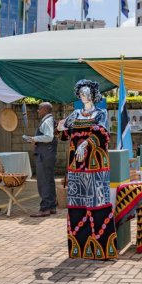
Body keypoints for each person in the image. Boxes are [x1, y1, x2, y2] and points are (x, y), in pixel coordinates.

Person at [58, 79, 117, 260]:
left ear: (93, 95)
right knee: (77, 205)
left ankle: (102, 249)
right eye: (82, 94)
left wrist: (85, 144)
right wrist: (60, 127)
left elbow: (102, 134)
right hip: (76, 168)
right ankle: (80, 249)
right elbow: (65, 132)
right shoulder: (75, 114)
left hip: (96, 167)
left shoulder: (101, 113)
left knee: (98, 204)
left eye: (87, 93)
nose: (85, 96)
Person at [24, 102, 58, 217]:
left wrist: (34, 138)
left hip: (45, 155)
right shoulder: (50, 120)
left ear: (44, 110)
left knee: (43, 181)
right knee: (49, 180)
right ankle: (52, 206)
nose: (38, 111)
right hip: (48, 154)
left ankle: (44, 209)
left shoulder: (47, 120)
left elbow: (49, 137)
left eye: (39, 109)